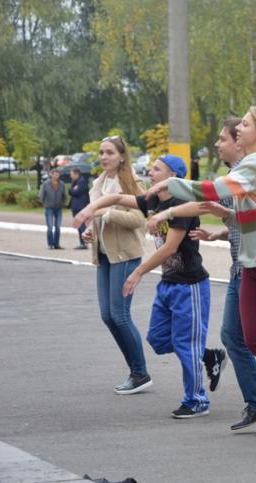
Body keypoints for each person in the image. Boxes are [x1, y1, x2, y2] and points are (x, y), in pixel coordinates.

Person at [145, 106, 256, 453]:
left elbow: (214, 188)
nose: (238, 128)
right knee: (254, 339)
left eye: (244, 124)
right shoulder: (250, 166)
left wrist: (172, 183)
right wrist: (228, 215)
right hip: (253, 264)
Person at [156, 116, 256, 431]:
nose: (218, 144)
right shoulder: (241, 172)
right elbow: (251, 218)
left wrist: (169, 206)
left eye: (222, 138)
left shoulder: (254, 167)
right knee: (237, 336)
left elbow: (212, 193)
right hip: (242, 265)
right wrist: (222, 227)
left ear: (240, 140)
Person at [75, 154, 220, 418]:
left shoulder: (182, 203)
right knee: (158, 338)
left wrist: (139, 272)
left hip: (190, 285)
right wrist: (90, 209)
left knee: (186, 344)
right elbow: (118, 199)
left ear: (172, 176)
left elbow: (170, 247)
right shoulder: (153, 200)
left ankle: (197, 400)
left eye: (157, 169)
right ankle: (209, 356)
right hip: (168, 283)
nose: (150, 172)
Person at [82, 135, 149, 394]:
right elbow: (98, 218)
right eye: (101, 152)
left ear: (122, 155)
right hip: (104, 255)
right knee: (107, 316)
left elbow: (138, 220)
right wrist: (91, 229)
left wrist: (106, 213)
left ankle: (140, 373)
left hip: (125, 255)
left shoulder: (131, 181)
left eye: (109, 152)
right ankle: (136, 370)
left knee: (120, 315)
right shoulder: (99, 183)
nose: (103, 157)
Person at [39, 168, 67, 250]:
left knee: (58, 227)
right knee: (50, 227)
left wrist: (63, 203)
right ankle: (50, 244)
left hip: (59, 208)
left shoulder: (62, 184)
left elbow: (64, 196)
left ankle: (56, 244)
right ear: (51, 174)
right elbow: (41, 195)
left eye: (58, 174)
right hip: (49, 208)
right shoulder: (46, 184)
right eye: (55, 174)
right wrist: (44, 204)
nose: (57, 176)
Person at [69, 167, 90, 249]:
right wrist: (72, 190)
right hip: (76, 206)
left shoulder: (81, 182)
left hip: (80, 206)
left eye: (72, 174)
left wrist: (71, 190)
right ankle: (82, 242)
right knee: (79, 225)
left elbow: (76, 192)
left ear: (76, 174)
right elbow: (72, 191)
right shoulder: (76, 182)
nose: (71, 176)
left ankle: (84, 243)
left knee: (81, 225)